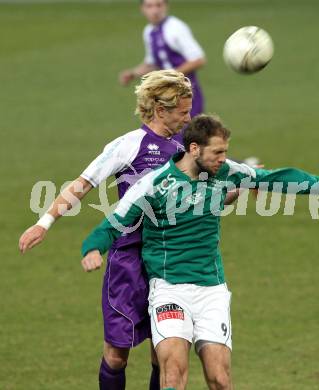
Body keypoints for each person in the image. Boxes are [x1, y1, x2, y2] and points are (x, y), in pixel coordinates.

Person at [81, 114, 319, 390]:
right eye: (218, 152)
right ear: (194, 149)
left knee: (220, 379)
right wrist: (93, 248)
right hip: (169, 289)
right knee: (174, 374)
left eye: (225, 152)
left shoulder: (226, 172)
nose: (223, 158)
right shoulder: (154, 184)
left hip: (211, 291)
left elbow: (275, 178)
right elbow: (112, 225)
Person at [19, 70, 193, 390]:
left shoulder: (185, 150)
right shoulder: (128, 145)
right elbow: (83, 184)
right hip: (127, 261)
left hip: (169, 263)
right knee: (116, 354)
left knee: (164, 351)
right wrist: (44, 223)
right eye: (183, 112)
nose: (188, 118)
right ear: (160, 110)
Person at [119, 0, 205, 126]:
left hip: (186, 96)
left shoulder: (176, 28)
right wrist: (133, 73)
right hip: (165, 97)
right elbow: (153, 63)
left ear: (166, 6)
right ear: (142, 9)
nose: (155, 10)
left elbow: (198, 60)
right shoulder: (149, 31)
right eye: (150, 6)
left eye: (158, 5)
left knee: (181, 140)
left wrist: (169, 76)